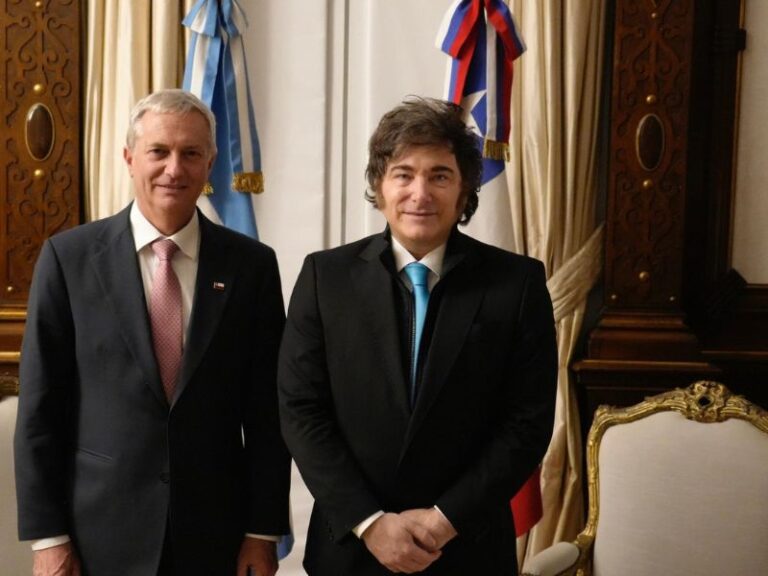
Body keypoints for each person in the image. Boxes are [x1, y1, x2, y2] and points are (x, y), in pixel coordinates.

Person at [14, 89, 291, 576]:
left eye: (191, 153)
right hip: (98, 537)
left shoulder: (252, 266)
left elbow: (269, 413)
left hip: (216, 537)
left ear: (210, 164)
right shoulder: (68, 259)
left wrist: (262, 531)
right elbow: (41, 410)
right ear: (129, 158)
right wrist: (49, 538)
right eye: (158, 151)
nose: (174, 169)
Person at [278, 96, 557, 575]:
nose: (420, 193)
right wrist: (370, 523)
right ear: (379, 186)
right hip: (351, 551)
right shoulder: (326, 278)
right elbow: (300, 409)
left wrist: (444, 522)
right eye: (403, 174)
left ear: (464, 190)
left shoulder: (518, 284)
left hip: (466, 550)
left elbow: (526, 423)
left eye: (439, 176)